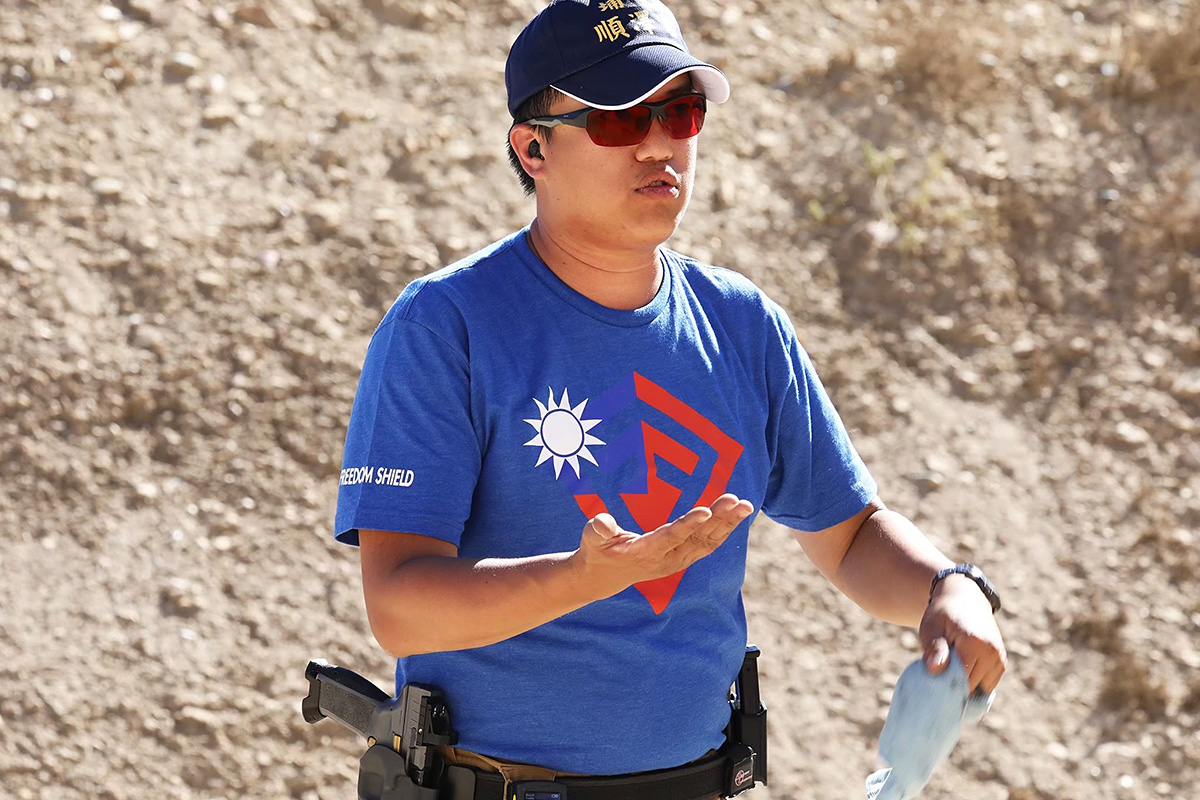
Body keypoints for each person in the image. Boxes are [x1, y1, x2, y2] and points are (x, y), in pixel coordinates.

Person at [333, 0, 1007, 797]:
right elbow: (400, 607)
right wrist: (583, 577)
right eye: (620, 119)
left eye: (680, 113)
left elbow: (852, 536)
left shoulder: (742, 324)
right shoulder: (445, 326)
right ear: (533, 147)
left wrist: (948, 588)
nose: (659, 144)